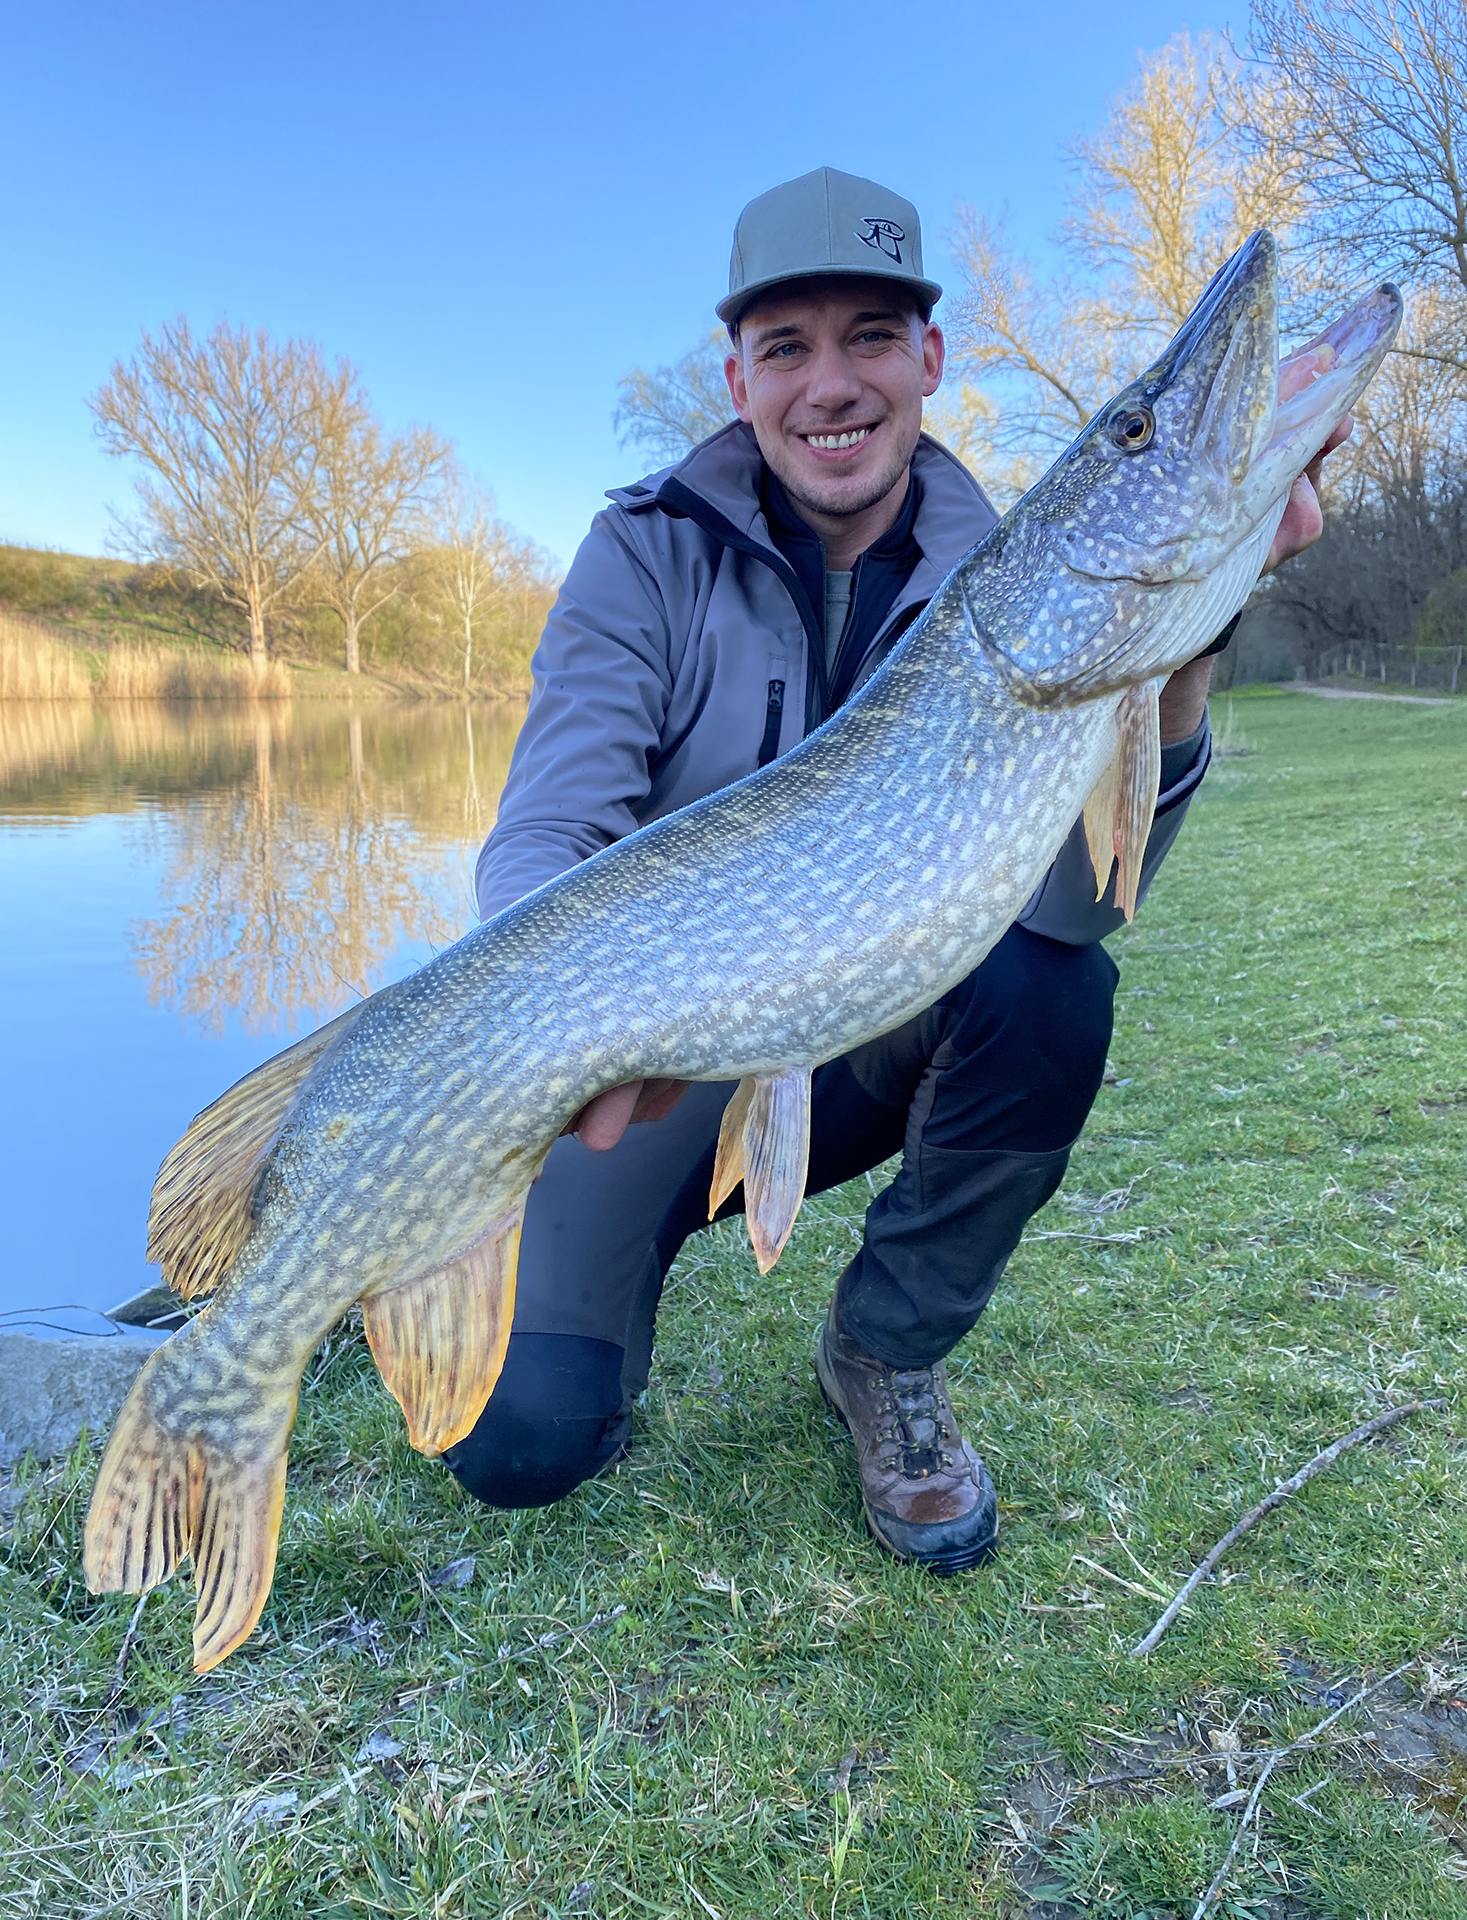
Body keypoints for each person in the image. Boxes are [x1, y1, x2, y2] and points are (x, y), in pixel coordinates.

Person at [445, 167, 1344, 1571]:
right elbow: (549, 831)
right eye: (786, 346)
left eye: (870, 334)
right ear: (738, 376)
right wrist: (562, 1021)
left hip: (858, 1044)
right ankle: (512, 1283)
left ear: (928, 359)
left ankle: (884, 1352)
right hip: (650, 1070)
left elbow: (1074, 906)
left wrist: (1187, 655)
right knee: (520, 1443)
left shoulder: (1013, 576)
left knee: (1055, 994)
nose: (830, 384)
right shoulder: (641, 553)